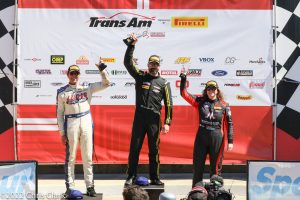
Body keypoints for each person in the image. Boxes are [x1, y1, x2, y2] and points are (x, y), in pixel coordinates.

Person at [123, 34, 173, 186]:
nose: (153, 66)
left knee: (154, 150)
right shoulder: (140, 76)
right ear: (148, 64)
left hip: (154, 120)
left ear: (159, 66)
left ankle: (155, 177)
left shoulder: (164, 83)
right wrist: (131, 46)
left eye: (156, 64)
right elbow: (128, 63)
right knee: (135, 148)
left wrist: (167, 122)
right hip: (140, 117)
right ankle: (131, 176)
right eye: (151, 63)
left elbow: (169, 104)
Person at [56, 61, 110, 197]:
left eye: (76, 73)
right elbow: (59, 113)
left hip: (86, 121)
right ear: (67, 75)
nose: (74, 75)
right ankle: (70, 187)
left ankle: (90, 186)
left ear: (79, 75)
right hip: (71, 123)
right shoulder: (62, 92)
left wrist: (102, 70)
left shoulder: (87, 87)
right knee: (71, 157)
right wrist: (62, 132)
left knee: (88, 156)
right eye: (71, 73)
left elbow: (106, 83)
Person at [179, 73, 234, 187]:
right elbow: (184, 94)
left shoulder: (224, 105)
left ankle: (215, 193)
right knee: (198, 167)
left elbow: (229, 123)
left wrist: (230, 140)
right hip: (201, 138)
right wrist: (184, 79)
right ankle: (196, 193)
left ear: (217, 91)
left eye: (213, 89)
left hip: (217, 139)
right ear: (206, 91)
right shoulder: (200, 101)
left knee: (215, 169)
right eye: (209, 89)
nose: (211, 91)